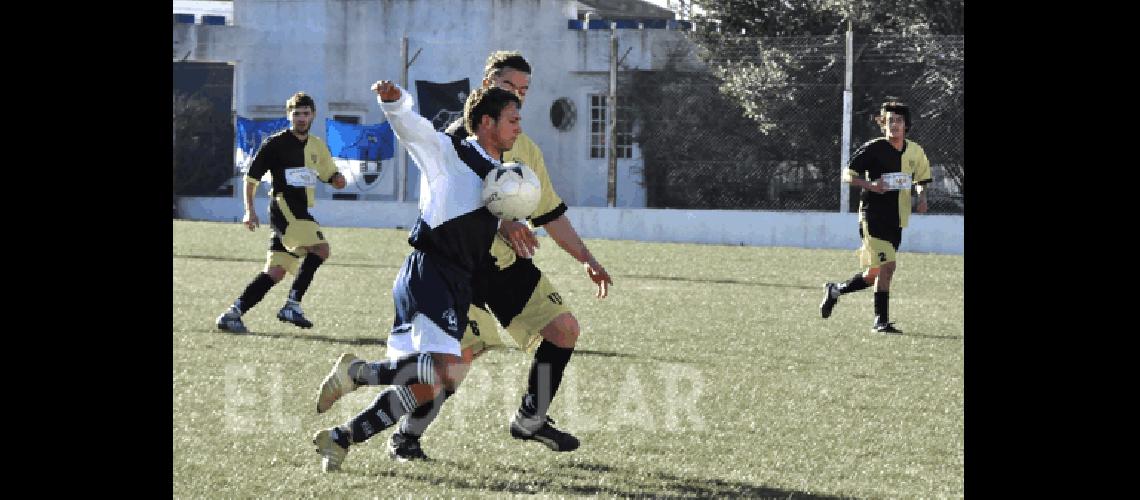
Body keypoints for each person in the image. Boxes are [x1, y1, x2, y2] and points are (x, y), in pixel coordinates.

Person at [384, 50, 614, 461]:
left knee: (564, 329)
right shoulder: (456, 140)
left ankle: (531, 419)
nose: (519, 97)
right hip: (463, 268)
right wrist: (502, 220)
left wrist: (587, 259)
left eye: (525, 90)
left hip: (509, 266)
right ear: (488, 84)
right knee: (458, 361)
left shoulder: (525, 147)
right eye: (510, 87)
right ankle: (406, 435)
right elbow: (451, 200)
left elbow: (550, 213)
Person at [310, 81, 523, 472]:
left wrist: (511, 224)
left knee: (432, 384)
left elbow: (487, 212)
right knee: (443, 369)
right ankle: (358, 373)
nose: (518, 127)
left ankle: (342, 438)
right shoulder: (449, 153)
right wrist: (395, 105)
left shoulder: (500, 177)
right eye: (512, 119)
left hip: (458, 283)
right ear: (487, 122)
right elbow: (414, 130)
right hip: (430, 272)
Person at [215, 92, 347, 334]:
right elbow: (251, 178)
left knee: (275, 272)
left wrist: (338, 180)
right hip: (285, 208)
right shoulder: (275, 144)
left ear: (313, 115)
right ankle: (292, 305)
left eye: (306, 113)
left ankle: (232, 313)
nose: (301, 118)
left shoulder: (317, 145)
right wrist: (249, 211)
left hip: (300, 209)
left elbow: (329, 173)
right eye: (296, 114)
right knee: (321, 249)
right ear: (289, 116)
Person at [819, 100, 932, 334]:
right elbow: (847, 175)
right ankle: (880, 322)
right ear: (883, 125)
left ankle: (835, 290)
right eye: (889, 121)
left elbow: (921, 179)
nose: (894, 125)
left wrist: (921, 197)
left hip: (898, 218)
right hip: (872, 216)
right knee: (888, 266)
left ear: (906, 125)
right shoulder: (874, 148)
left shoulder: (915, 151)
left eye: (898, 121)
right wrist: (870, 185)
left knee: (873, 275)